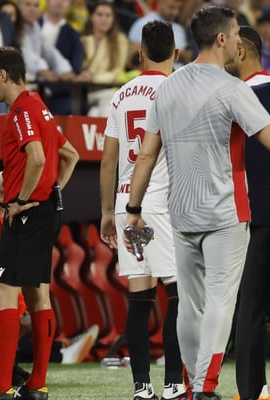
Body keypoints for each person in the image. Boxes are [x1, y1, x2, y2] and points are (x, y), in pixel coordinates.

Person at [124, 6, 270, 399]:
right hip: (225, 213)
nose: (239, 41)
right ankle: (205, 387)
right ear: (222, 39)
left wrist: (134, 210)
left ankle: (192, 388)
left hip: (181, 213)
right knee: (221, 301)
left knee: (190, 306)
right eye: (235, 34)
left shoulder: (168, 86)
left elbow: (146, 154)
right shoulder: (232, 89)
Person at [0, 45, 79, 400]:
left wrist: (23, 200)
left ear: (3, 75)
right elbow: (70, 155)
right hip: (46, 212)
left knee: (4, 294)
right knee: (38, 295)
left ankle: (1, 388)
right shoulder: (40, 106)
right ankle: (37, 385)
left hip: (27, 215)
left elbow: (37, 158)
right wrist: (52, 192)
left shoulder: (22, 109)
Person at [100, 21, 186, 400]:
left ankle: (141, 387)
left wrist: (107, 211)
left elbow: (108, 159)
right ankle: (174, 383)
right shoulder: (177, 89)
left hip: (125, 203)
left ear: (139, 54)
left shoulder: (121, 95)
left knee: (139, 297)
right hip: (160, 203)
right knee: (178, 295)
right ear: (177, 54)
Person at [225, 26, 270, 400]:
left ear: (241, 52)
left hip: (254, 216)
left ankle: (252, 392)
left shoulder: (233, 98)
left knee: (250, 309)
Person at [77, 1, 129, 117]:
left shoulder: (120, 40)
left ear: (113, 19)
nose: (104, 19)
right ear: (91, 17)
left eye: (108, 15)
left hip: (107, 89)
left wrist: (93, 78)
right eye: (100, 15)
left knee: (97, 112)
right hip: (83, 91)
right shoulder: (82, 39)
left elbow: (117, 70)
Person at [37, 0, 84, 115]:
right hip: (28, 86)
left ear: (70, 5)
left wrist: (52, 82)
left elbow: (74, 71)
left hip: (58, 95)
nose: (59, 2)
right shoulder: (32, 25)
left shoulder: (74, 35)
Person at [127, 0, 190, 70]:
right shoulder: (142, 24)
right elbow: (132, 58)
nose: (175, 12)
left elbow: (187, 58)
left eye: (179, 9)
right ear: (160, 2)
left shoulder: (180, 29)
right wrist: (176, 54)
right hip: (152, 74)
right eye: (171, 7)